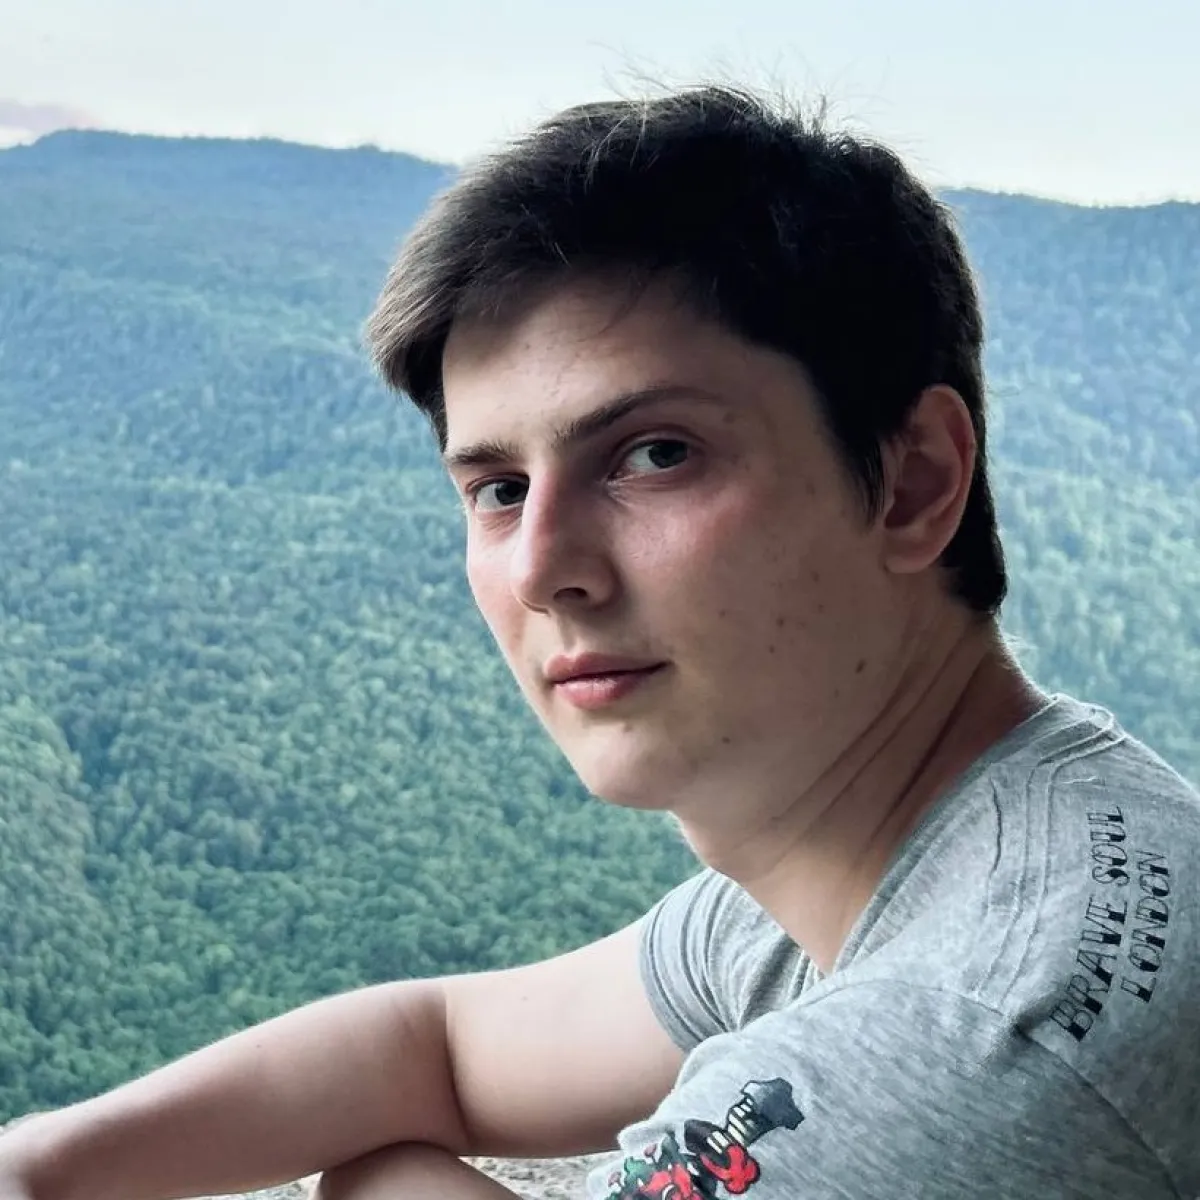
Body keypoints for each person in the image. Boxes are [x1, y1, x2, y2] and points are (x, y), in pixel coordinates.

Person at [1, 84, 1197, 1200]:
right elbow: (438, 1050)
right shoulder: (918, 840)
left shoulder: (967, 1046)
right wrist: (37, 1168)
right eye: (498, 489)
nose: (540, 569)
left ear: (912, 482)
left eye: (655, 454)